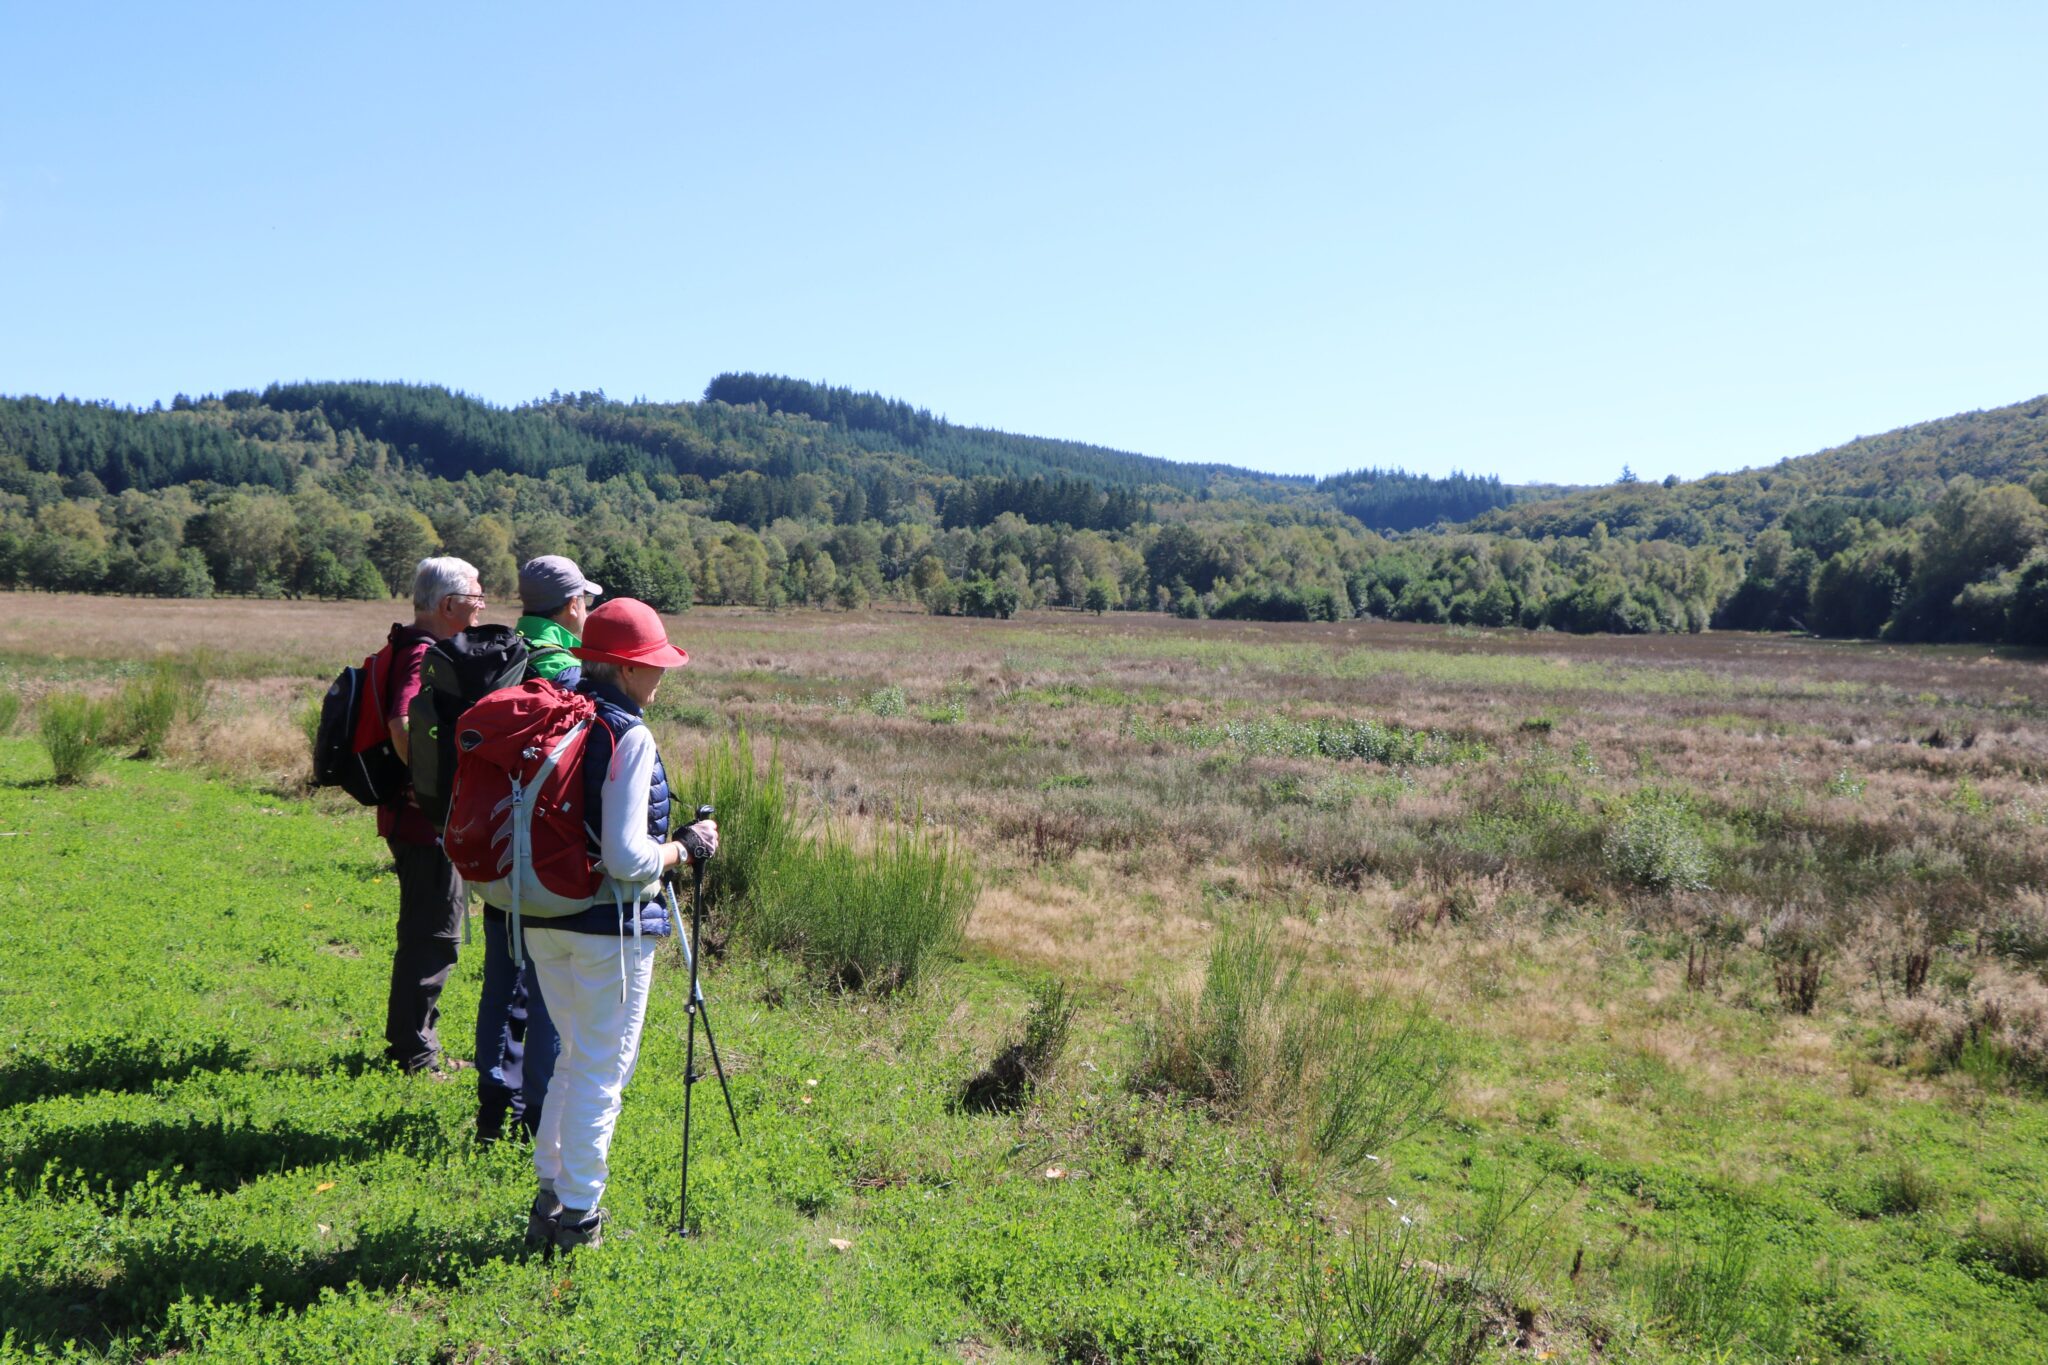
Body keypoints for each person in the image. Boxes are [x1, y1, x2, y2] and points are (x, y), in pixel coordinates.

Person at [524, 597, 718, 1252]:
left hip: (543, 916)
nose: (660, 675)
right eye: (653, 663)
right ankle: (579, 1215)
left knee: (573, 1058)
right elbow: (627, 857)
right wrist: (685, 847)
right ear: (626, 669)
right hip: (609, 928)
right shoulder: (627, 734)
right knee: (602, 1071)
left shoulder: (565, 713)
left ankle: (548, 1195)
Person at [473, 554, 602, 1143]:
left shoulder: (497, 654)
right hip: (544, 851)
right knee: (547, 985)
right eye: (587, 601)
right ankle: (534, 1116)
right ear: (572, 604)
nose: (590, 610)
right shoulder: (563, 668)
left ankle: (491, 1107)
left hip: (493, 845)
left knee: (501, 977)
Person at [381, 556, 486, 1074]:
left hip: (414, 819)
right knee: (435, 934)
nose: (482, 607)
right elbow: (403, 724)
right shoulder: (425, 653)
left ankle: (413, 1042)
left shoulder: (411, 646)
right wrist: (437, 790)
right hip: (423, 822)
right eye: (476, 598)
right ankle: (416, 1055)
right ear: (449, 606)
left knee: (427, 930)